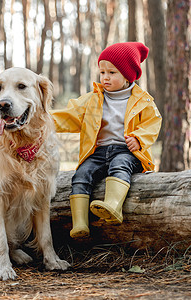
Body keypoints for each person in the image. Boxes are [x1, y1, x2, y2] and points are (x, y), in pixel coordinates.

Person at [52, 42, 162, 239]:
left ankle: (113, 206)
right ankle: (80, 224)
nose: (105, 77)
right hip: (98, 152)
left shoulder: (142, 101)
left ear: (128, 75)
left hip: (127, 151)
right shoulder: (93, 99)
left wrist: (138, 139)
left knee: (120, 165)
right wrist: (43, 121)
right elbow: (69, 115)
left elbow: (152, 124)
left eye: (112, 72)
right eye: (102, 72)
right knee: (81, 174)